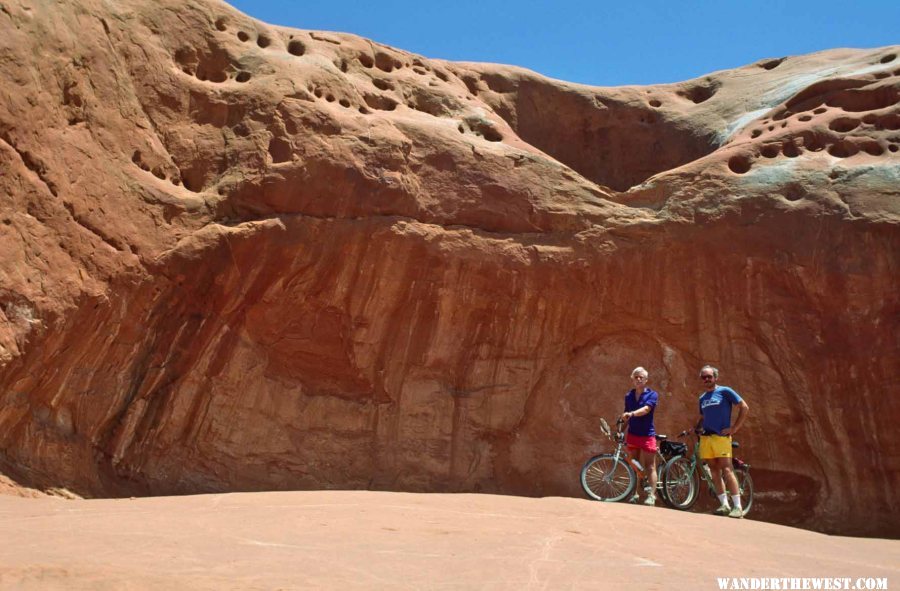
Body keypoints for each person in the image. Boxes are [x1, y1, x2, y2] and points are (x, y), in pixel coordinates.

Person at [695, 365, 750, 518]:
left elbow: (744, 407)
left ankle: (738, 507)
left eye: (709, 377)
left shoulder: (725, 391)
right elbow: (703, 416)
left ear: (715, 377)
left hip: (721, 437)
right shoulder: (702, 398)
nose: (706, 379)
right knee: (713, 470)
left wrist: (734, 428)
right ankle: (724, 505)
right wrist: (697, 427)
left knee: (727, 469)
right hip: (706, 437)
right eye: (704, 377)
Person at [620, 366, 659, 506]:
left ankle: (652, 496)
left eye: (641, 377)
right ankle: (636, 494)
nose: (638, 379)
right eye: (636, 376)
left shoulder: (652, 395)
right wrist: (620, 429)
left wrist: (631, 414)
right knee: (635, 465)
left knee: (650, 467)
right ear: (632, 379)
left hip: (647, 435)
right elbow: (626, 415)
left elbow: (646, 409)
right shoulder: (629, 396)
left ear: (646, 379)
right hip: (633, 435)